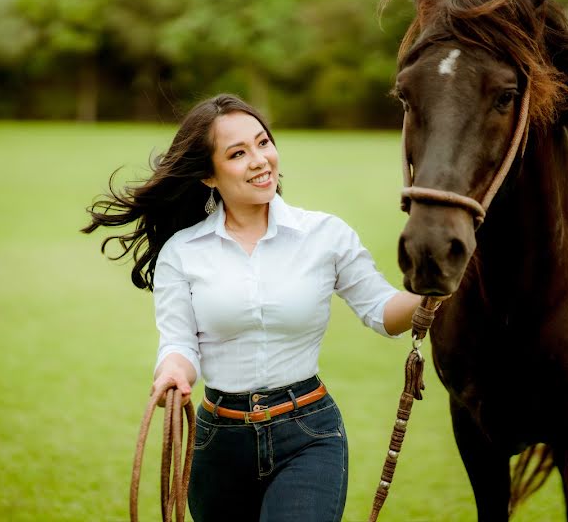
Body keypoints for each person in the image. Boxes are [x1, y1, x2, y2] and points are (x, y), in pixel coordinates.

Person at [83, 94, 421, 522]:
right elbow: (180, 345)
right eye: (238, 153)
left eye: (263, 143)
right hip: (217, 443)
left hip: (309, 434)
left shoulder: (326, 235)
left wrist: (434, 293)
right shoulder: (181, 253)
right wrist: (171, 372)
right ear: (208, 175)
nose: (260, 160)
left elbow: (383, 311)